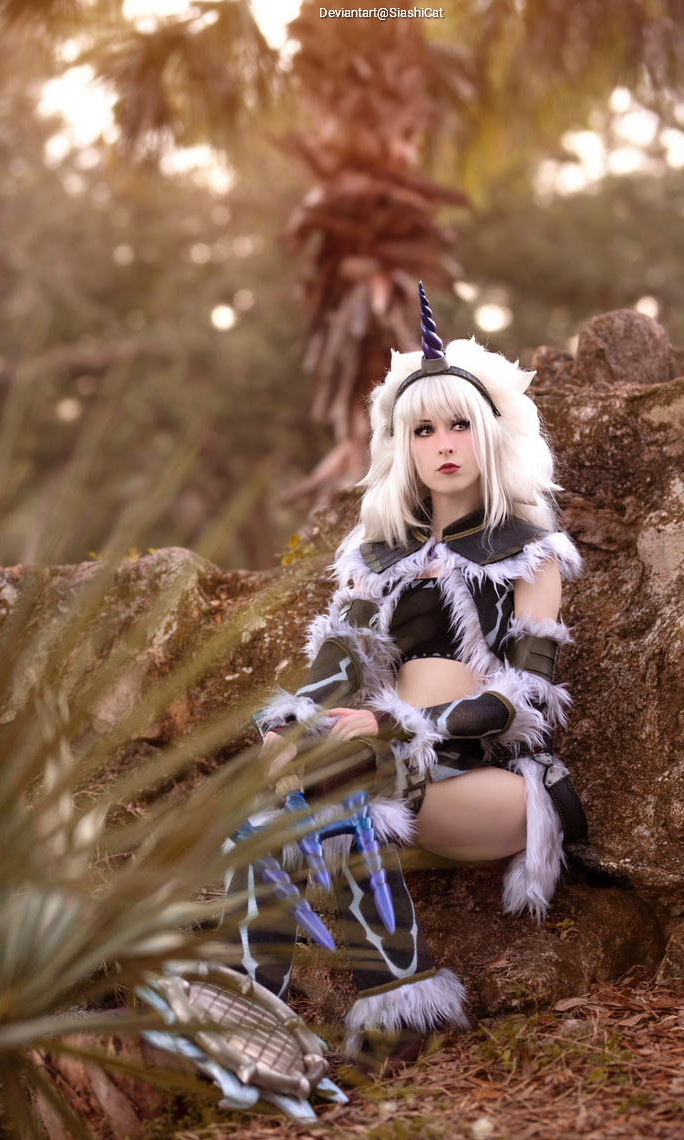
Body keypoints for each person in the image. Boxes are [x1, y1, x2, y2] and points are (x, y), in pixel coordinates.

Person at [241, 284, 587, 1074]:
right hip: (385, 771)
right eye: (423, 428)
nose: (443, 442)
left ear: (488, 433)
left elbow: (525, 699)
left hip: (491, 782)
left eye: (459, 423)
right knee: (276, 793)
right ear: (404, 445)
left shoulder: (533, 551)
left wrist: (396, 727)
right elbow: (337, 666)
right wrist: (287, 722)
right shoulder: (375, 558)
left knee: (345, 768)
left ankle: (353, 1006)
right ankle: (257, 1011)